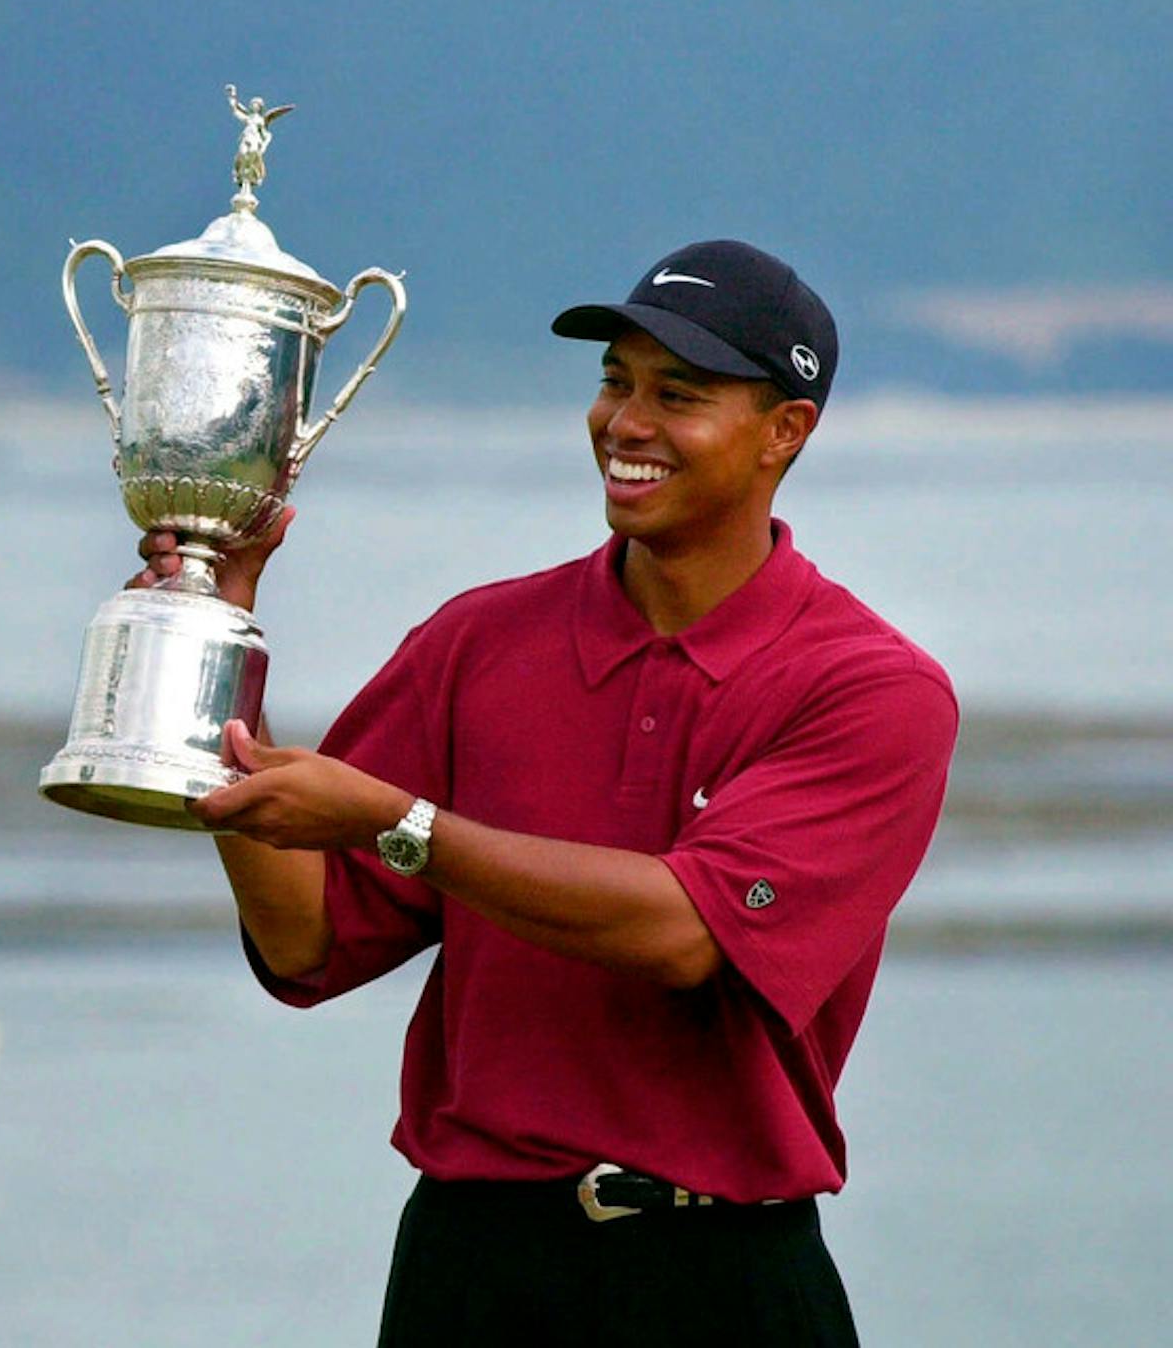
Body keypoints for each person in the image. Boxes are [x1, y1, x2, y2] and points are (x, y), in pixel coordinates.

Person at [133, 240, 957, 1345]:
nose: (627, 422)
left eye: (681, 394)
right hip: (471, 1269)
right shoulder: (479, 641)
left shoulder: (873, 688)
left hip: (724, 1282)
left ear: (785, 431)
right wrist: (215, 652)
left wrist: (396, 821)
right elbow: (307, 941)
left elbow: (682, 934)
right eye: (615, 381)